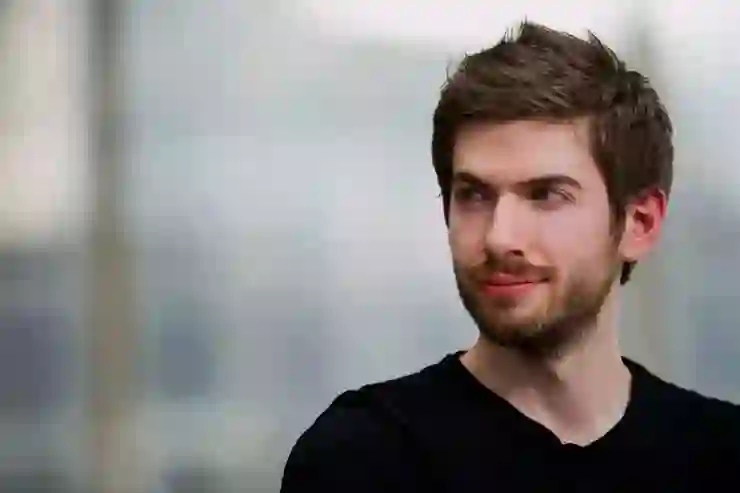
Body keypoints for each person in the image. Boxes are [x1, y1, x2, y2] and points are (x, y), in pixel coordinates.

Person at [280, 21, 740, 492]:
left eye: (547, 195)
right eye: (474, 195)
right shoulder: (363, 458)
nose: (500, 238)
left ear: (639, 224)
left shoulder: (722, 456)